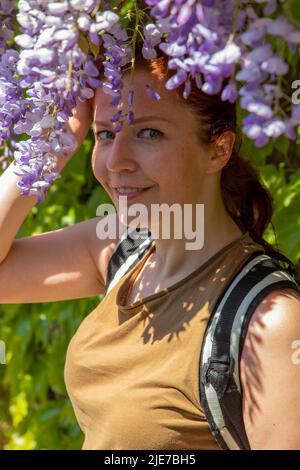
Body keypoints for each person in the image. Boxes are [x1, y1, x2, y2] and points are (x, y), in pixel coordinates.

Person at [0, 50, 299, 450]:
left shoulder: (271, 320)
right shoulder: (121, 250)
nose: (117, 162)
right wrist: (50, 141)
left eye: (149, 133)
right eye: (105, 134)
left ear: (218, 149)